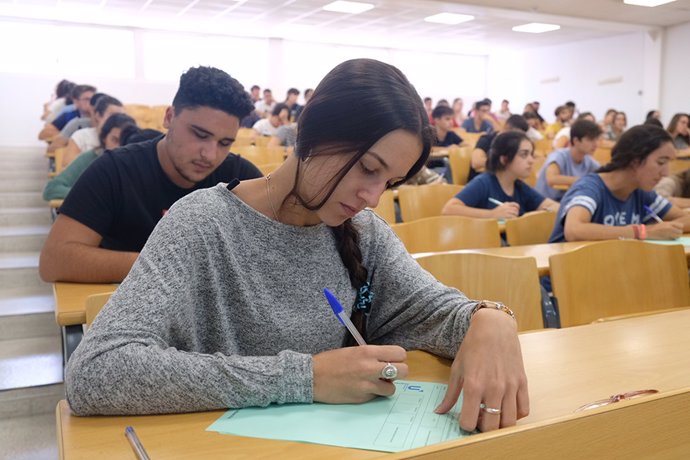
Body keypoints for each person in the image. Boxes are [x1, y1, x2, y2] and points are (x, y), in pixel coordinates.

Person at [64, 58, 528, 434]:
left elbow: (432, 311)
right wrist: (306, 377)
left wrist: (489, 318)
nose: (372, 195)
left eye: (389, 181)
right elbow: (96, 373)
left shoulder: (364, 233)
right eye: (367, 167)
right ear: (312, 131)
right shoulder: (201, 223)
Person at [39, 66, 263, 283]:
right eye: (200, 135)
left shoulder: (240, 178)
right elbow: (55, 260)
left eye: (225, 143)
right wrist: (174, 266)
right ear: (169, 117)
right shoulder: (114, 170)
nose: (210, 155)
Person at [549, 124, 690, 243]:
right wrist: (643, 231)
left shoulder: (641, 192)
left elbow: (685, 218)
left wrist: (668, 229)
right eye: (661, 162)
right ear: (635, 160)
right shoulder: (590, 188)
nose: (665, 173)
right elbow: (574, 230)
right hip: (568, 273)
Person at [442, 131, 558, 219]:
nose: (531, 161)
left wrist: (542, 211)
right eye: (524, 155)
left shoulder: (519, 186)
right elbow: (449, 210)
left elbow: (551, 205)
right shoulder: (484, 183)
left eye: (531, 155)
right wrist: (491, 214)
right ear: (504, 159)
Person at [42, 113, 137, 201]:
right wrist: (91, 196)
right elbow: (51, 189)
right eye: (114, 140)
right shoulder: (90, 158)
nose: (118, 147)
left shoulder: (136, 163)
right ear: (104, 138)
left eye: (124, 141)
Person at [535, 119, 602, 201]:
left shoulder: (588, 160)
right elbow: (551, 179)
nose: (595, 144)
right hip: (545, 203)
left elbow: (602, 175)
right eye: (590, 139)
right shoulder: (559, 155)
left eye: (596, 139)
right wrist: (581, 180)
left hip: (567, 202)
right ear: (576, 141)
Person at [61, 95, 124, 168]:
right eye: (113, 116)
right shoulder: (81, 136)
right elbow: (69, 169)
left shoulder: (125, 138)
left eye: (121, 116)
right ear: (98, 116)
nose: (118, 120)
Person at [469, 114, 528, 181]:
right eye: (515, 135)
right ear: (506, 128)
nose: (518, 139)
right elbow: (476, 162)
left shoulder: (515, 145)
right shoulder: (487, 139)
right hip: (481, 182)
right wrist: (505, 165)